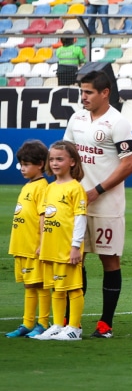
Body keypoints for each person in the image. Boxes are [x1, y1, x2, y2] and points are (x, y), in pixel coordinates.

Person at [63, 71, 132, 339]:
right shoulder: (76, 118)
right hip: (76, 203)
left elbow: (130, 164)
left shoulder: (117, 122)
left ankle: (106, 323)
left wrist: (97, 190)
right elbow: (67, 154)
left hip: (106, 203)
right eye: (82, 92)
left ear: (104, 93)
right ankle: (72, 321)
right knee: (75, 259)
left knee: (109, 260)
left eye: (89, 92)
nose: (83, 97)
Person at [30, 142, 88, 341]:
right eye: (52, 159)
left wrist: (75, 247)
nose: (54, 163)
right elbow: (45, 218)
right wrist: (42, 243)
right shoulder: (50, 188)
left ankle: (74, 328)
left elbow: (80, 219)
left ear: (72, 162)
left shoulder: (76, 188)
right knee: (56, 288)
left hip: (67, 247)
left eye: (59, 159)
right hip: (50, 246)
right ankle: (57, 325)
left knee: (73, 287)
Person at [6, 141, 51, 338]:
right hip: (21, 246)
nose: (22, 169)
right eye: (21, 165)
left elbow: (43, 216)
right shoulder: (28, 186)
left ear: (40, 164)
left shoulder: (42, 187)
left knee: (39, 284)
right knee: (28, 285)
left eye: (27, 164)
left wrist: (42, 243)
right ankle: (27, 322)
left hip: (33, 246)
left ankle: (42, 323)